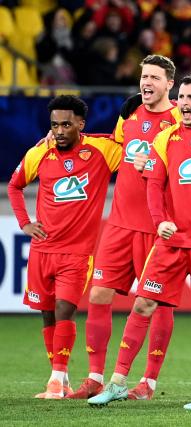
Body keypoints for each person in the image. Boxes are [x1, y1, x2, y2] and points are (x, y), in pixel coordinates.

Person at [87, 75, 191, 410]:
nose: (184, 103)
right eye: (181, 97)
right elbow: (154, 185)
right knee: (143, 304)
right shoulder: (166, 138)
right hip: (172, 242)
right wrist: (161, 221)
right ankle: (117, 382)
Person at [67, 55, 181, 400]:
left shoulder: (179, 119)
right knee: (99, 295)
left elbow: (186, 173)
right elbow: (116, 147)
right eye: (143, 76)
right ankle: (95, 376)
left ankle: (148, 382)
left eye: (154, 78)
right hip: (119, 222)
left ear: (169, 84)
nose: (146, 83)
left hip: (156, 226)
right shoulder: (129, 111)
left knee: (157, 303)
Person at [8, 95, 121, 399]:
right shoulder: (39, 153)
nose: (59, 131)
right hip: (42, 250)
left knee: (63, 310)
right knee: (47, 313)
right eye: (55, 125)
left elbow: (134, 143)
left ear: (81, 124)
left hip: (77, 252)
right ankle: (61, 377)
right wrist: (24, 223)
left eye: (66, 124)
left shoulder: (101, 150)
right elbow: (15, 185)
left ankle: (56, 380)